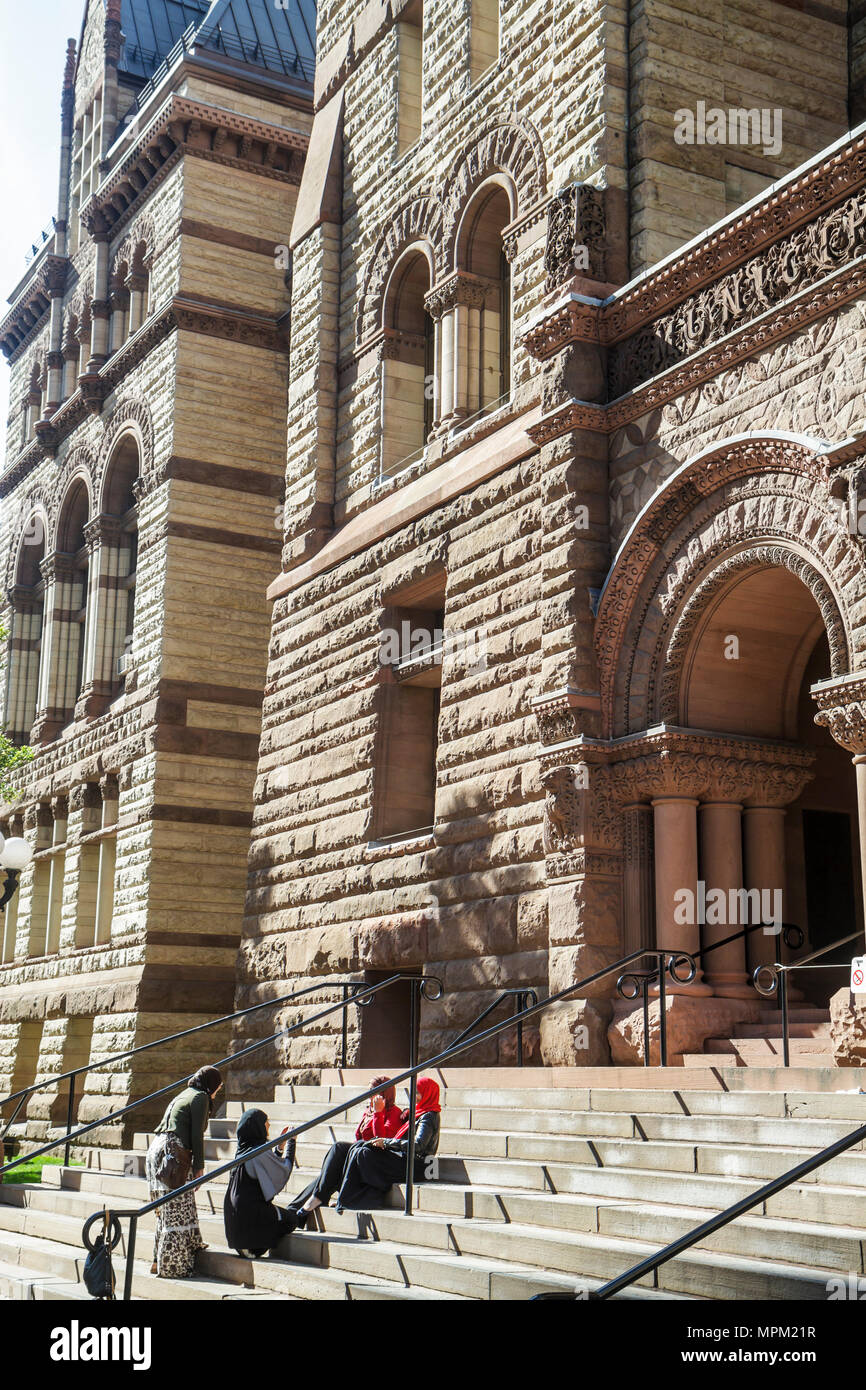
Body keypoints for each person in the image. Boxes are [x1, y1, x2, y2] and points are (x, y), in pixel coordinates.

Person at [288, 1075, 402, 1229]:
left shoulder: (394, 1113)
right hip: (358, 1155)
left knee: (339, 1149)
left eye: (373, 1092)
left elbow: (382, 1141)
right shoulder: (368, 1111)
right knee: (331, 1166)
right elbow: (358, 1137)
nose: (369, 1096)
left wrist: (378, 1113)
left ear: (384, 1094)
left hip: (372, 1161)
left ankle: (308, 1204)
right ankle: (295, 1211)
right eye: (368, 1092)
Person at [145, 1065, 223, 1278]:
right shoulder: (200, 1097)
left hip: (157, 1150)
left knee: (168, 1211)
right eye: (218, 1087)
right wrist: (199, 1166)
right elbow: (197, 1134)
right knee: (177, 1210)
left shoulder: (185, 1093)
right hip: (173, 1153)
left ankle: (157, 1261)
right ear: (211, 1085)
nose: (217, 1092)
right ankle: (173, 1267)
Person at [336, 1076, 441, 1212]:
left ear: (428, 1093)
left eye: (418, 1092)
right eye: (414, 1091)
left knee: (364, 1154)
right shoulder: (419, 1112)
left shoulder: (429, 1116)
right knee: (360, 1147)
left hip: (418, 1165)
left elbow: (418, 1145)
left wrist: (386, 1142)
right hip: (407, 1158)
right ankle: (345, 1198)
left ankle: (362, 1197)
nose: (414, 1095)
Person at [223, 1108, 296, 1258]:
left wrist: (279, 1147)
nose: (268, 1125)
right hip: (253, 1241)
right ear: (258, 1126)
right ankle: (261, 1242)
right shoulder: (258, 1152)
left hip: (238, 1237)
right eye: (266, 1121)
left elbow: (267, 1170)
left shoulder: (243, 1151)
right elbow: (283, 1170)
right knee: (292, 1220)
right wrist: (292, 1142)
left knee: (283, 1213)